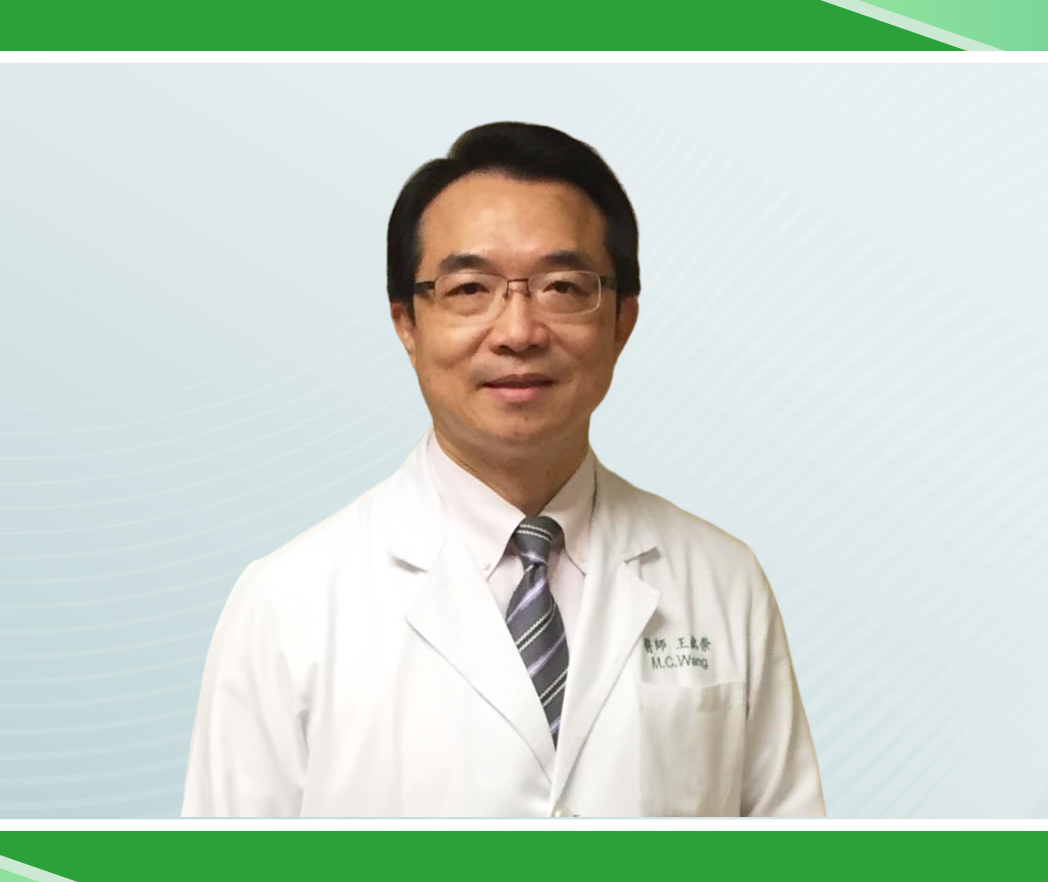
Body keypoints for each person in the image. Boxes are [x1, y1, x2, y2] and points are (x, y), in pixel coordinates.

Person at [181, 122, 822, 817]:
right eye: (469, 289)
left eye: (562, 286)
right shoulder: (288, 604)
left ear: (622, 320)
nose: (518, 332)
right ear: (406, 322)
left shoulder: (722, 580)